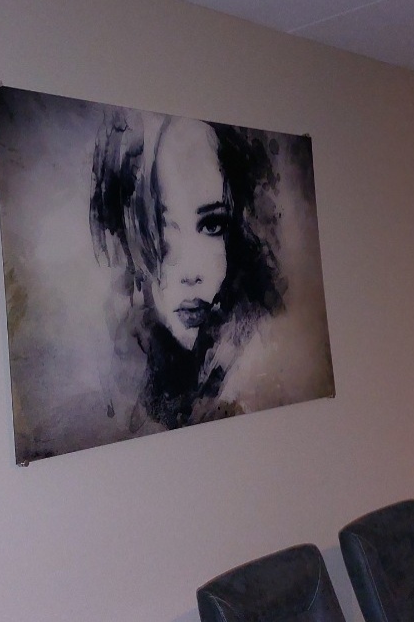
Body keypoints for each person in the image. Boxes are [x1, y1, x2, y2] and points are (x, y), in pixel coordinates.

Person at [89, 109, 282, 431]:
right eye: (160, 231)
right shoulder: (127, 361)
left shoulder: (260, 355)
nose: (191, 273)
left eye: (212, 225)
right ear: (126, 235)